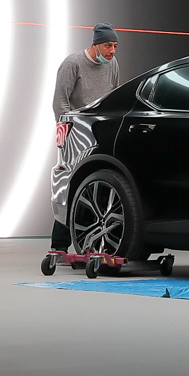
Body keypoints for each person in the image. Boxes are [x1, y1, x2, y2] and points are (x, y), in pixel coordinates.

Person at [51, 23, 122, 249]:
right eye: (108, 46)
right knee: (69, 185)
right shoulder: (73, 64)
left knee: (97, 186)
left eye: (115, 46)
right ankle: (59, 246)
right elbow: (60, 102)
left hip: (99, 132)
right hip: (74, 132)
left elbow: (114, 97)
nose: (112, 51)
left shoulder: (112, 64)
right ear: (95, 45)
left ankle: (91, 243)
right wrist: (66, 132)